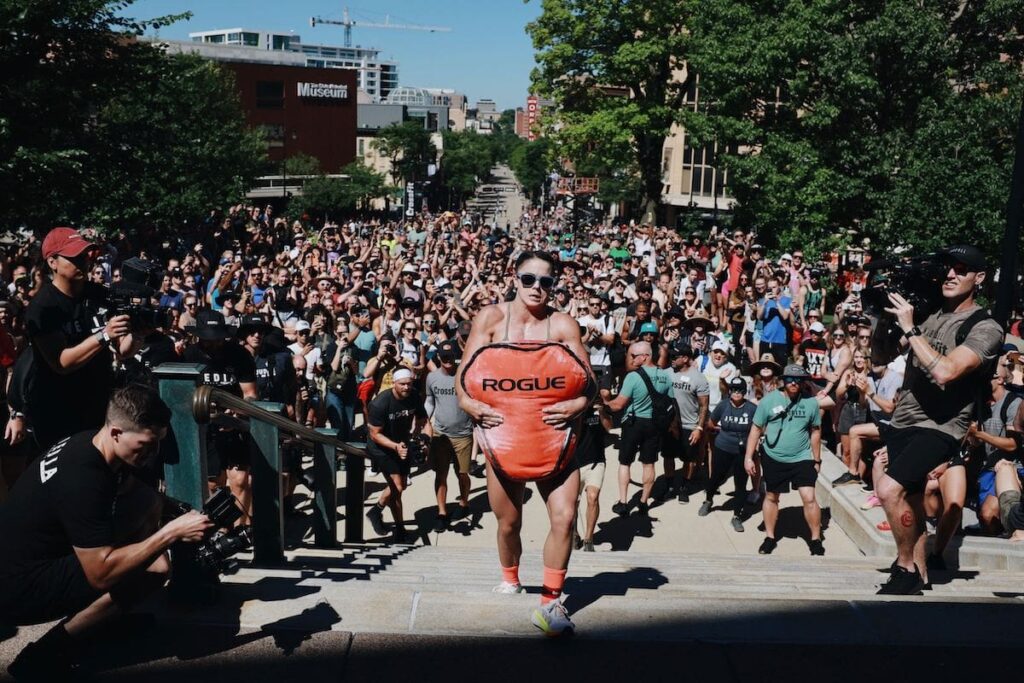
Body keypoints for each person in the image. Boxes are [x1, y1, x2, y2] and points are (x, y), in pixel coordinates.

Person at [0, 385, 212, 680]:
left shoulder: (91, 444)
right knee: (154, 568)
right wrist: (170, 534)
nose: (152, 454)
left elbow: (139, 495)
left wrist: (178, 510)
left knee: (148, 501)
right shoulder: (82, 479)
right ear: (116, 433)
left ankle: (104, 620)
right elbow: (99, 573)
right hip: (16, 589)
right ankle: (42, 654)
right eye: (145, 445)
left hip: (28, 559)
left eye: (157, 444)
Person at [455, 250, 592, 637]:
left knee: (565, 517)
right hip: (503, 439)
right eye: (529, 280)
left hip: (558, 439)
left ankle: (551, 603)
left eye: (546, 282)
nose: (537, 288)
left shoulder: (563, 325)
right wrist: (472, 407)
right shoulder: (491, 319)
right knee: (508, 522)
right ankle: (510, 577)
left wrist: (578, 403)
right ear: (515, 279)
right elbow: (462, 381)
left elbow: (590, 386)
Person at [875, 245, 1003, 594]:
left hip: (942, 426)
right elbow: (881, 356)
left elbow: (947, 372)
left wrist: (910, 329)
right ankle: (920, 575)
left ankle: (904, 566)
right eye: (947, 268)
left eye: (961, 269)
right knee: (912, 502)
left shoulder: (985, 327)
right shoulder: (929, 313)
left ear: (979, 278)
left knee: (888, 489)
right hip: (903, 419)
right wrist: (886, 316)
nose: (950, 274)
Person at [26, 228, 134, 450]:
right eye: (74, 257)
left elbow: (122, 349)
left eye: (85, 256)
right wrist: (104, 335)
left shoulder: (99, 294)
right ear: (53, 262)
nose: (83, 262)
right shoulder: (43, 307)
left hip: (99, 403)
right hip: (59, 411)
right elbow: (61, 363)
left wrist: (137, 334)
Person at [744, 364, 825, 556]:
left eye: (798, 380)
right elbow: (756, 428)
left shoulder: (811, 403)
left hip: (802, 457)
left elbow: (815, 431)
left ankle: (815, 539)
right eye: (790, 379)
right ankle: (770, 537)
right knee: (772, 496)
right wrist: (749, 457)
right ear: (783, 380)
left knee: (809, 498)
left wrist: (817, 459)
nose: (794, 383)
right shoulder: (768, 401)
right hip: (774, 456)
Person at [606, 340, 672, 516]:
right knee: (649, 464)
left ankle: (623, 502)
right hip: (655, 425)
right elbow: (670, 402)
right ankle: (643, 502)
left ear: (645, 356)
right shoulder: (666, 376)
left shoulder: (633, 377)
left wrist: (604, 405)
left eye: (634, 356)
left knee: (625, 463)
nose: (631, 359)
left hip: (634, 424)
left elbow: (619, 404)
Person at [365, 368, 430, 542]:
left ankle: (399, 528)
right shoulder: (381, 403)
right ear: (394, 383)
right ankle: (375, 511)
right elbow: (375, 434)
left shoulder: (414, 395)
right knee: (398, 487)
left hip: (401, 442)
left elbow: (423, 420)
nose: (406, 387)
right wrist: (395, 447)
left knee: (399, 489)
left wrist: (424, 439)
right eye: (402, 384)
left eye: (409, 383)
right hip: (382, 446)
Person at [425, 339, 474, 531]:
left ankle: (464, 503)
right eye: (444, 357)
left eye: (451, 356)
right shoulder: (432, 378)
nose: (448, 360)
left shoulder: (466, 375)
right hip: (440, 434)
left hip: (463, 433)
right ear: (438, 357)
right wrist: (423, 420)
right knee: (441, 474)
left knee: (463, 473)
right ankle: (442, 512)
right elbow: (430, 401)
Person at [702, 376, 757, 531]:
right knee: (716, 477)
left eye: (740, 390)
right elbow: (711, 423)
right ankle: (708, 500)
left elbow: (759, 428)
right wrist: (723, 431)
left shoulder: (752, 409)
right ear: (729, 390)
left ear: (745, 392)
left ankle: (737, 515)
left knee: (740, 483)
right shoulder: (723, 405)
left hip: (743, 451)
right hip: (723, 448)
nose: (737, 393)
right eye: (734, 389)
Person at [664, 342, 709, 503]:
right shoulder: (667, 373)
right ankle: (669, 486)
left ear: (685, 358)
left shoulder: (698, 378)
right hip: (670, 425)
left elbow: (704, 406)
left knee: (689, 459)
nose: (671, 359)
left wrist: (699, 428)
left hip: (689, 425)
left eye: (674, 356)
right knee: (668, 456)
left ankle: (684, 487)